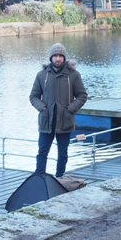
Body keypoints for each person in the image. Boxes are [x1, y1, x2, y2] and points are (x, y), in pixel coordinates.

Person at [29, 42, 88, 178]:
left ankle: (60, 178)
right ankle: (39, 178)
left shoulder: (74, 75)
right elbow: (33, 97)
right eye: (55, 56)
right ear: (51, 57)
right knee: (42, 152)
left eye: (61, 56)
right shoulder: (41, 75)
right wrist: (42, 108)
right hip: (46, 122)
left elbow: (82, 96)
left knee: (62, 154)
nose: (58, 58)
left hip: (65, 121)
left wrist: (71, 109)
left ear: (64, 58)